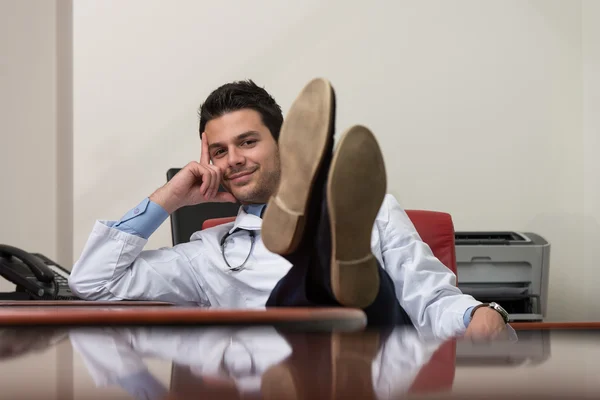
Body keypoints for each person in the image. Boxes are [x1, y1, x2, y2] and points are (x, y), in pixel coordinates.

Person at [69, 78, 510, 339]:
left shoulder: (370, 209)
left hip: (371, 372)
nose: (234, 159)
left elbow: (432, 301)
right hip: (277, 380)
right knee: (297, 303)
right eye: (219, 151)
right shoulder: (208, 251)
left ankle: (324, 247)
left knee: (365, 305)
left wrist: (480, 316)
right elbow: (92, 282)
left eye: (247, 142)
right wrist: (171, 197)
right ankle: (322, 255)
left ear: (284, 145)